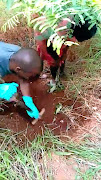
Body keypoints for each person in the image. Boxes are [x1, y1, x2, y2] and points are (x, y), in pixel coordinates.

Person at [0, 41, 43, 119]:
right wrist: (1, 89)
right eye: (29, 76)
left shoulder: (18, 54)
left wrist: (28, 100)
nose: (29, 80)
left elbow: (23, 79)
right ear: (18, 69)